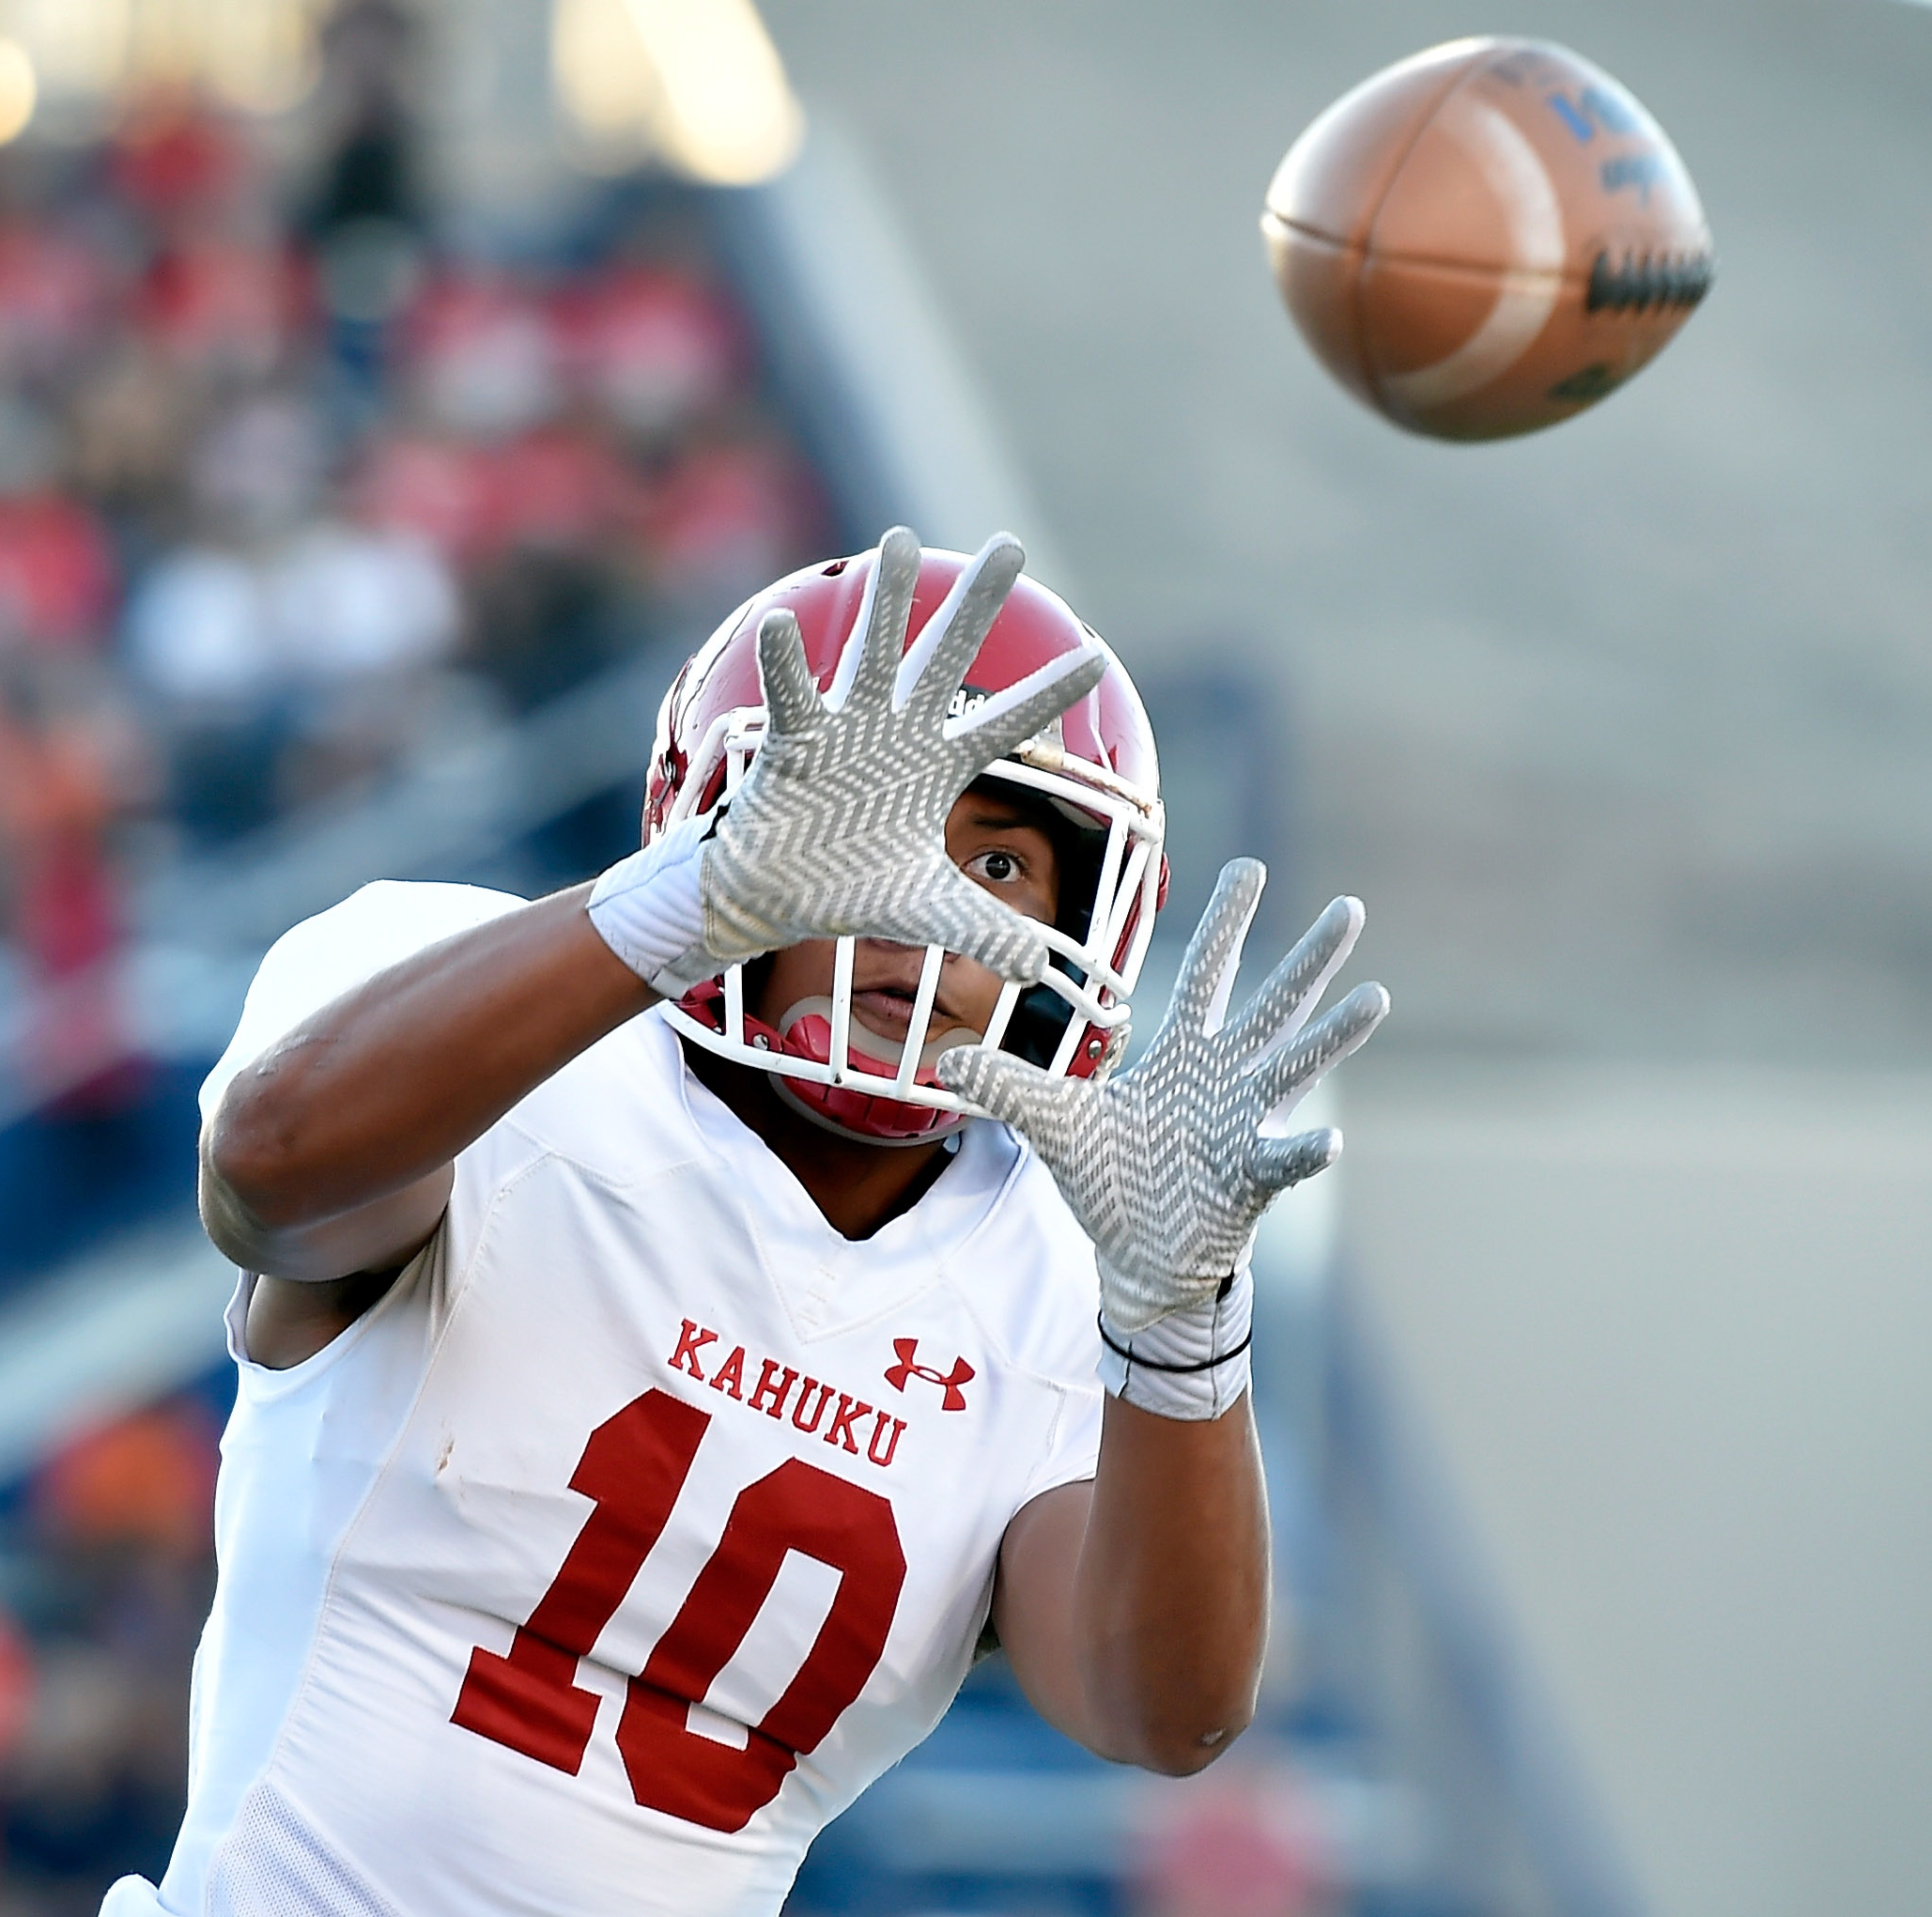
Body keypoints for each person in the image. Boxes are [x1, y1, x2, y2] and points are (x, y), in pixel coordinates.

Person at [104, 528, 1388, 1915]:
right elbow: (273, 1172)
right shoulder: (487, 1035)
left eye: (1000, 864)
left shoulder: (1063, 1283)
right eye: (878, 836)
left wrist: (1187, 1322)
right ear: (731, 822)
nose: (927, 909)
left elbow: (1169, 1711)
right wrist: (678, 910)